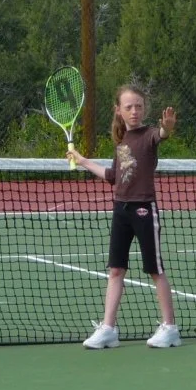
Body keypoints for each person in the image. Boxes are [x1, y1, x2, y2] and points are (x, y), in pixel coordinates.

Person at [69, 85, 181, 348]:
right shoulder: (121, 142)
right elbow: (112, 177)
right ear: (118, 110)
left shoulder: (150, 135)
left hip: (144, 209)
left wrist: (168, 127)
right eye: (129, 107)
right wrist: (82, 160)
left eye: (139, 106)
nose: (134, 111)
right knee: (116, 270)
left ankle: (170, 328)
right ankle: (108, 328)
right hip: (121, 209)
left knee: (155, 270)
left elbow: (162, 134)